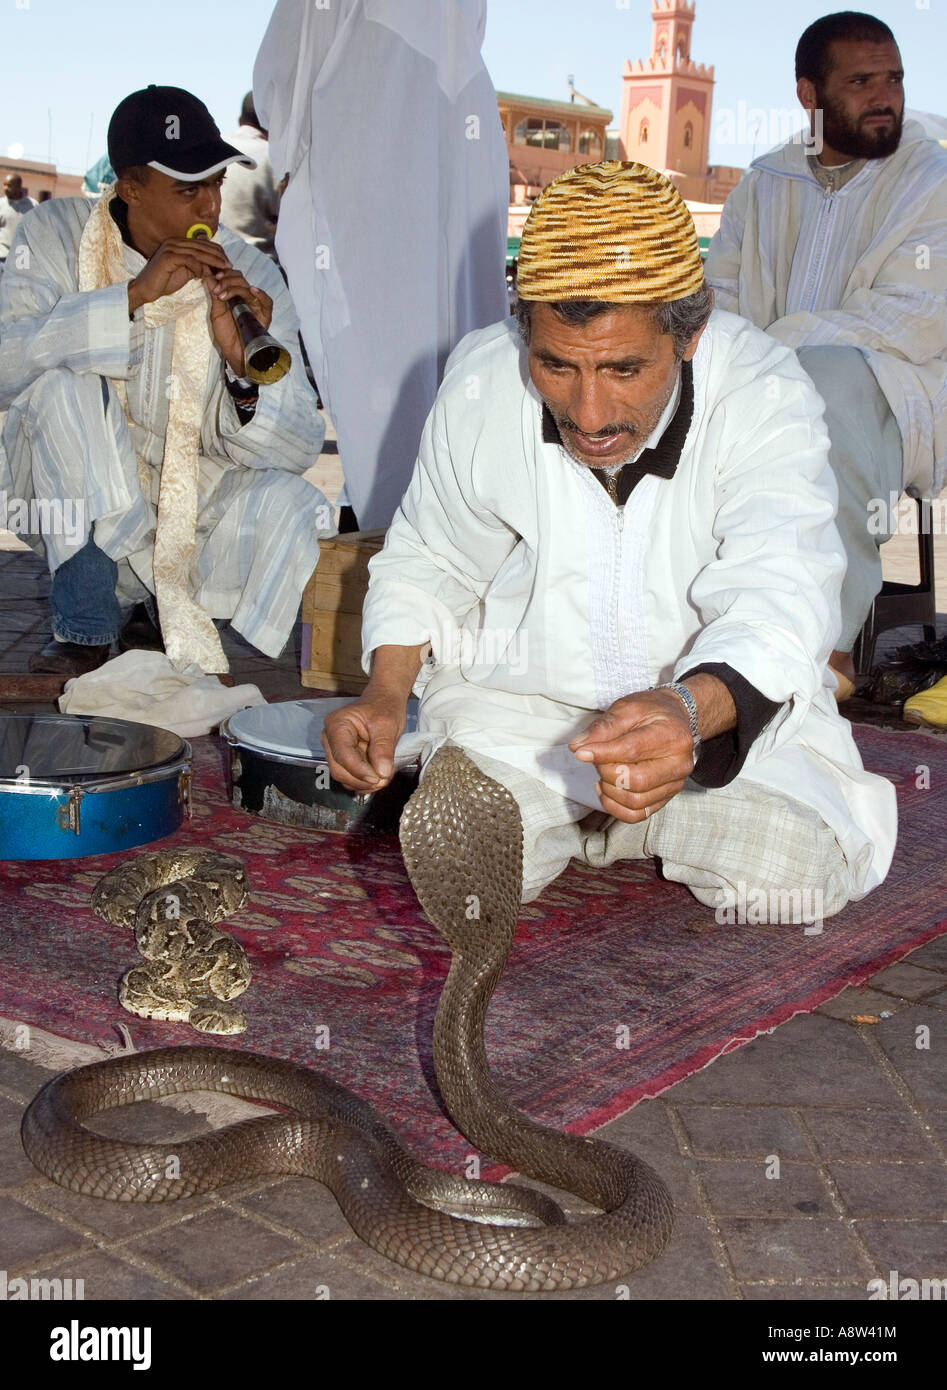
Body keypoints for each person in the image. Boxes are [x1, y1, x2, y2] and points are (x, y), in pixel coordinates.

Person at [321, 161, 896, 923]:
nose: (587, 412)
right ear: (523, 329)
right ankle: (592, 817)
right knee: (456, 869)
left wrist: (684, 717)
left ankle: (638, 816)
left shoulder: (761, 388)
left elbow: (782, 589)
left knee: (793, 876)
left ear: (687, 336)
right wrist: (386, 694)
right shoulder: (481, 380)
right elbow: (432, 555)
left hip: (706, 713)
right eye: (555, 364)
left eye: (623, 369)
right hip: (522, 715)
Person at [0, 85, 331, 678]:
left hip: (189, 512)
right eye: (187, 189)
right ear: (129, 188)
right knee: (63, 385)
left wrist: (242, 374)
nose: (209, 208)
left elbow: (304, 445)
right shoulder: (53, 235)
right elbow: (6, 363)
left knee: (299, 506)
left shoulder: (250, 271)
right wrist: (130, 296)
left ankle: (165, 605)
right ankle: (87, 621)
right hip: (79, 499)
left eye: (215, 184)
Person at [704, 11, 947, 700]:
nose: (884, 96)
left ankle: (826, 651)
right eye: (861, 80)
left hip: (902, 394)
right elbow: (718, 297)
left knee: (824, 383)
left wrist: (771, 353)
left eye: (893, 78)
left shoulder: (932, 176)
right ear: (808, 95)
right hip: (761, 384)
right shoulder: (764, 182)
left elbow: (917, 319)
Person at [252, 0, 510, 531]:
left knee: (376, 374)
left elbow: (282, 73)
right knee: (453, 364)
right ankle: (436, 534)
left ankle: (392, 537)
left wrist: (296, 154)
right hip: (456, 128)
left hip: (365, 139)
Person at [218, 92, 281, 262]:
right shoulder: (274, 157)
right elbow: (291, 220)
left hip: (217, 258)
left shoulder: (217, 152)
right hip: (264, 266)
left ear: (240, 121)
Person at [0, 173, 37, 271]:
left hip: (22, 256)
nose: (5, 188)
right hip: (2, 255)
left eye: (9, 185)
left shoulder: (33, 206)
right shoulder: (1, 204)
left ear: (19, 186)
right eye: (4, 185)